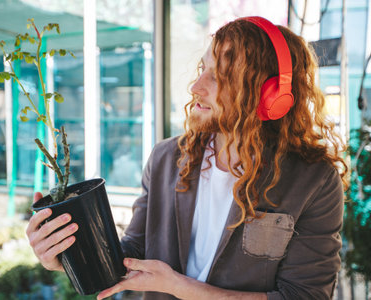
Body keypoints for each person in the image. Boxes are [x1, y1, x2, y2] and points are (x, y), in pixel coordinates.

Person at [26, 16, 348, 300]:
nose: (196, 87)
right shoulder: (166, 158)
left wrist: (181, 288)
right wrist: (66, 253)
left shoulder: (314, 181)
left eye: (219, 77)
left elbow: (305, 295)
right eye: (202, 69)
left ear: (270, 97)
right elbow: (133, 255)